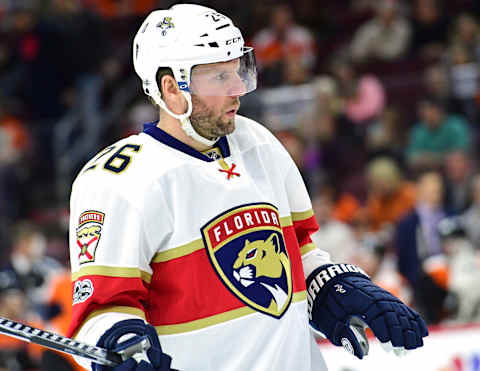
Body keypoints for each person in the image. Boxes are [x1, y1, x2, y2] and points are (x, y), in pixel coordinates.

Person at [67, 5, 428, 371]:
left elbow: (297, 252)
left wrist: (332, 287)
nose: (238, 90)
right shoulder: (119, 180)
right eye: (218, 78)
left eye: (238, 70)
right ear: (171, 88)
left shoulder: (259, 143)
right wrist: (121, 343)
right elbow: (99, 310)